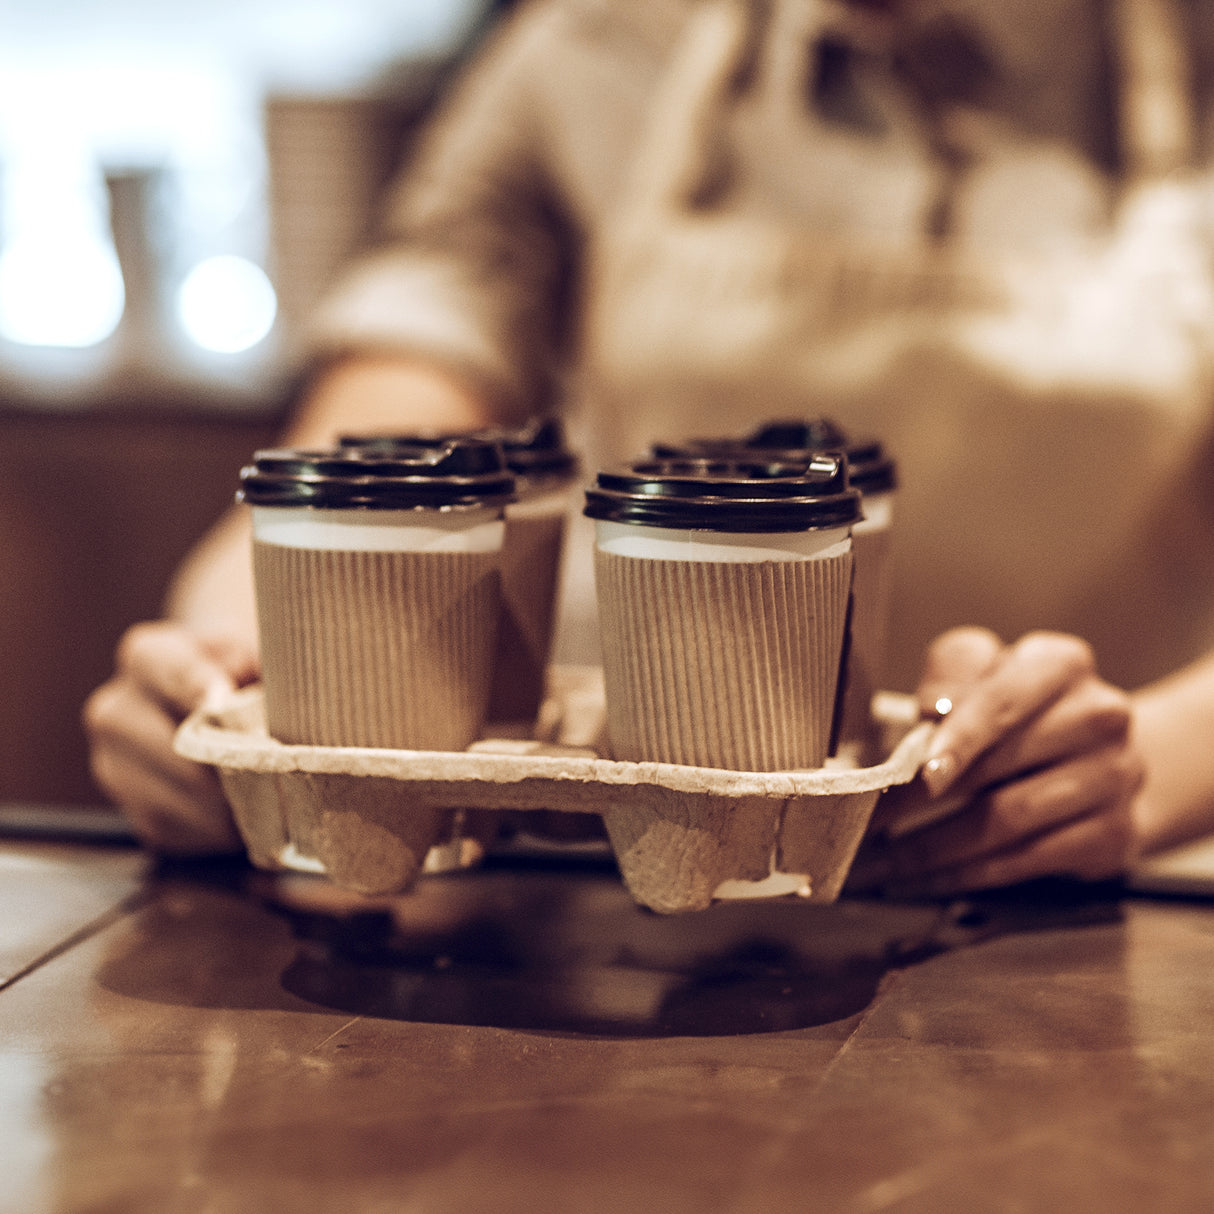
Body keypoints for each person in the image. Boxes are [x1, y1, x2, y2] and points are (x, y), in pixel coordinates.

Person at [85, 0, 1214, 894]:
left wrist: (1149, 762)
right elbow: (380, 430)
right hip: (649, 881)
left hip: (1095, 892)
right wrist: (220, 670)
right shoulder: (595, 44)